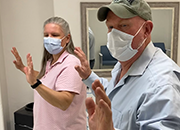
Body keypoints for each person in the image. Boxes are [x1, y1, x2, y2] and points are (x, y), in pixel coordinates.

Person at [74, 0, 180, 130]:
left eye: (123, 25)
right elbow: (117, 95)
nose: (114, 34)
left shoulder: (161, 84)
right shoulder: (124, 63)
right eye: (110, 27)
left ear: (146, 30)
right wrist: (88, 75)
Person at [11, 17, 87, 130]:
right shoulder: (51, 62)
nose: (49, 39)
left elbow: (64, 102)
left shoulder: (71, 64)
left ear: (67, 38)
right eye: (46, 35)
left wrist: (35, 84)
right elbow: (48, 79)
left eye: (55, 35)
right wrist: (24, 69)